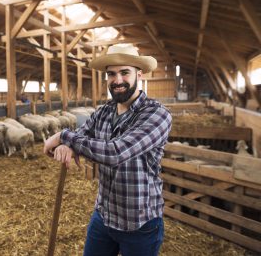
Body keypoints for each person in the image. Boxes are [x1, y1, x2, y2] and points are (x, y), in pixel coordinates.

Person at [43, 45, 172, 256]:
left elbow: (115, 153)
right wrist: (69, 145)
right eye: (111, 74)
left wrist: (63, 136)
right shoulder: (103, 112)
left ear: (139, 73)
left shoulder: (157, 114)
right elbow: (82, 136)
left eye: (124, 72)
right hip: (104, 215)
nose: (117, 80)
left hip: (139, 222)